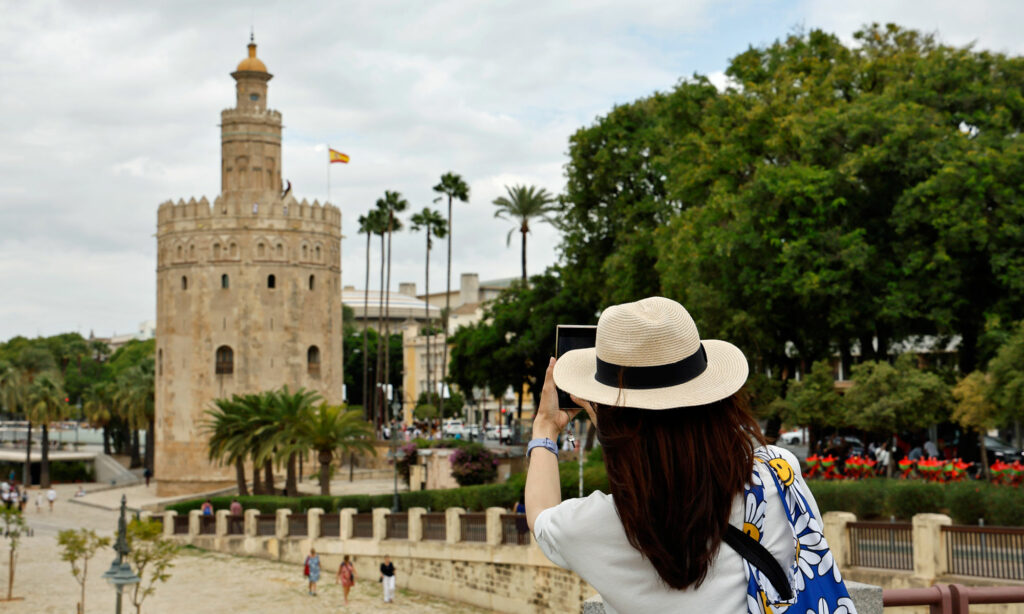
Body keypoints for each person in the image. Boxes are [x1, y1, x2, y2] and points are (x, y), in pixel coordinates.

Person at [527, 297, 853, 613]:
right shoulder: (778, 473)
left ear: (615, 423)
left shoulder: (603, 525)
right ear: (716, 400)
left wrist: (546, 427)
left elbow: (540, 514)